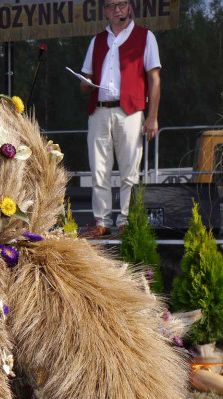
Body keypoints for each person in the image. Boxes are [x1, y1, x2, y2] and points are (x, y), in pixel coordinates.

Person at [80, 1, 161, 237]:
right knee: (99, 169)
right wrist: (85, 83)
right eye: (112, 5)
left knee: (129, 171)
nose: (117, 9)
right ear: (105, 11)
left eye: (122, 4)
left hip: (131, 111)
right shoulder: (96, 41)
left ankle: (126, 221)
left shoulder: (145, 37)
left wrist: (153, 116)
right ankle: (102, 221)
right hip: (99, 110)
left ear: (129, 8)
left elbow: (154, 79)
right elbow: (86, 78)